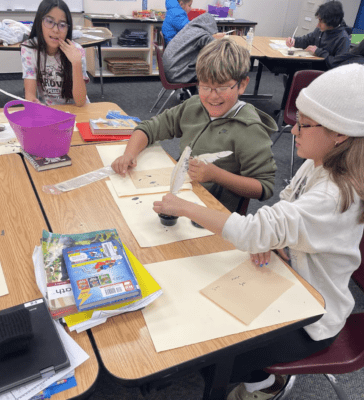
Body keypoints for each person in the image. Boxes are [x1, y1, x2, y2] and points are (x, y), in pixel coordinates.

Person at [153, 63, 364, 400]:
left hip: (314, 316)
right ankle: (255, 378)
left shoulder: (335, 195)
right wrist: (276, 241)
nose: (293, 132)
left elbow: (256, 229)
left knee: (216, 358)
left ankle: (265, 384)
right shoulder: (318, 161)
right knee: (209, 311)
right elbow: (285, 205)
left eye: (303, 125)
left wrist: (183, 207)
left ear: (338, 133)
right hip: (290, 278)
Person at [112, 38, 277, 213]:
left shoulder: (250, 129)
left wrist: (216, 175)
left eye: (222, 88)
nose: (212, 96)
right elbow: (149, 128)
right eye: (205, 86)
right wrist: (129, 154)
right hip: (182, 193)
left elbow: (264, 187)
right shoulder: (194, 105)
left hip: (213, 212)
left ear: (242, 85)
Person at [21, 0, 89, 106]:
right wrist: (34, 104)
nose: (56, 30)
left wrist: (76, 63)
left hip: (75, 110)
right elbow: (30, 95)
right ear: (39, 22)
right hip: (48, 111)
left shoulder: (76, 51)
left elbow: (80, 102)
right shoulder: (30, 49)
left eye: (62, 25)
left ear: (68, 28)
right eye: (49, 21)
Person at [163, 12, 226, 83]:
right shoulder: (201, 34)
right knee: (212, 71)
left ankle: (189, 93)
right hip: (177, 74)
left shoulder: (189, 29)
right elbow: (216, 47)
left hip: (169, 70)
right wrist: (219, 38)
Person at [286, 1, 350, 69]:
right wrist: (294, 41)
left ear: (330, 22)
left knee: (295, 69)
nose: (317, 25)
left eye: (320, 21)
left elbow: (337, 64)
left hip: (324, 72)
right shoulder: (321, 30)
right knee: (292, 64)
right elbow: (307, 40)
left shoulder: (343, 39)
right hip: (313, 64)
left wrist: (318, 51)